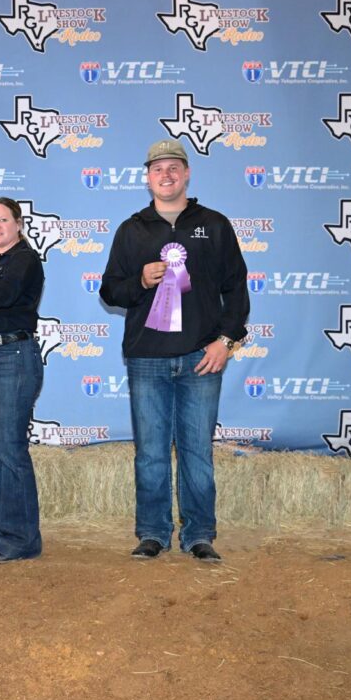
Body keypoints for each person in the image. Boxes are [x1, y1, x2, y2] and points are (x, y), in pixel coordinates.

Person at [99, 139, 250, 563]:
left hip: (202, 357)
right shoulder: (131, 229)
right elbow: (110, 290)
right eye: (157, 168)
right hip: (147, 357)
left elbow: (237, 288)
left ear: (186, 174)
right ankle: (152, 532)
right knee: (150, 452)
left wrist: (226, 341)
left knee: (197, 450)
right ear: (147, 178)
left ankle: (200, 534)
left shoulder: (215, 225)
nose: (165, 175)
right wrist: (141, 282)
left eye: (173, 168)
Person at [0, 197, 45, 564]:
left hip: (12, 356)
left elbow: (2, 296)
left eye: (2, 220)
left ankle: (22, 538)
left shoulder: (24, 260)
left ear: (18, 224)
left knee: (10, 448)